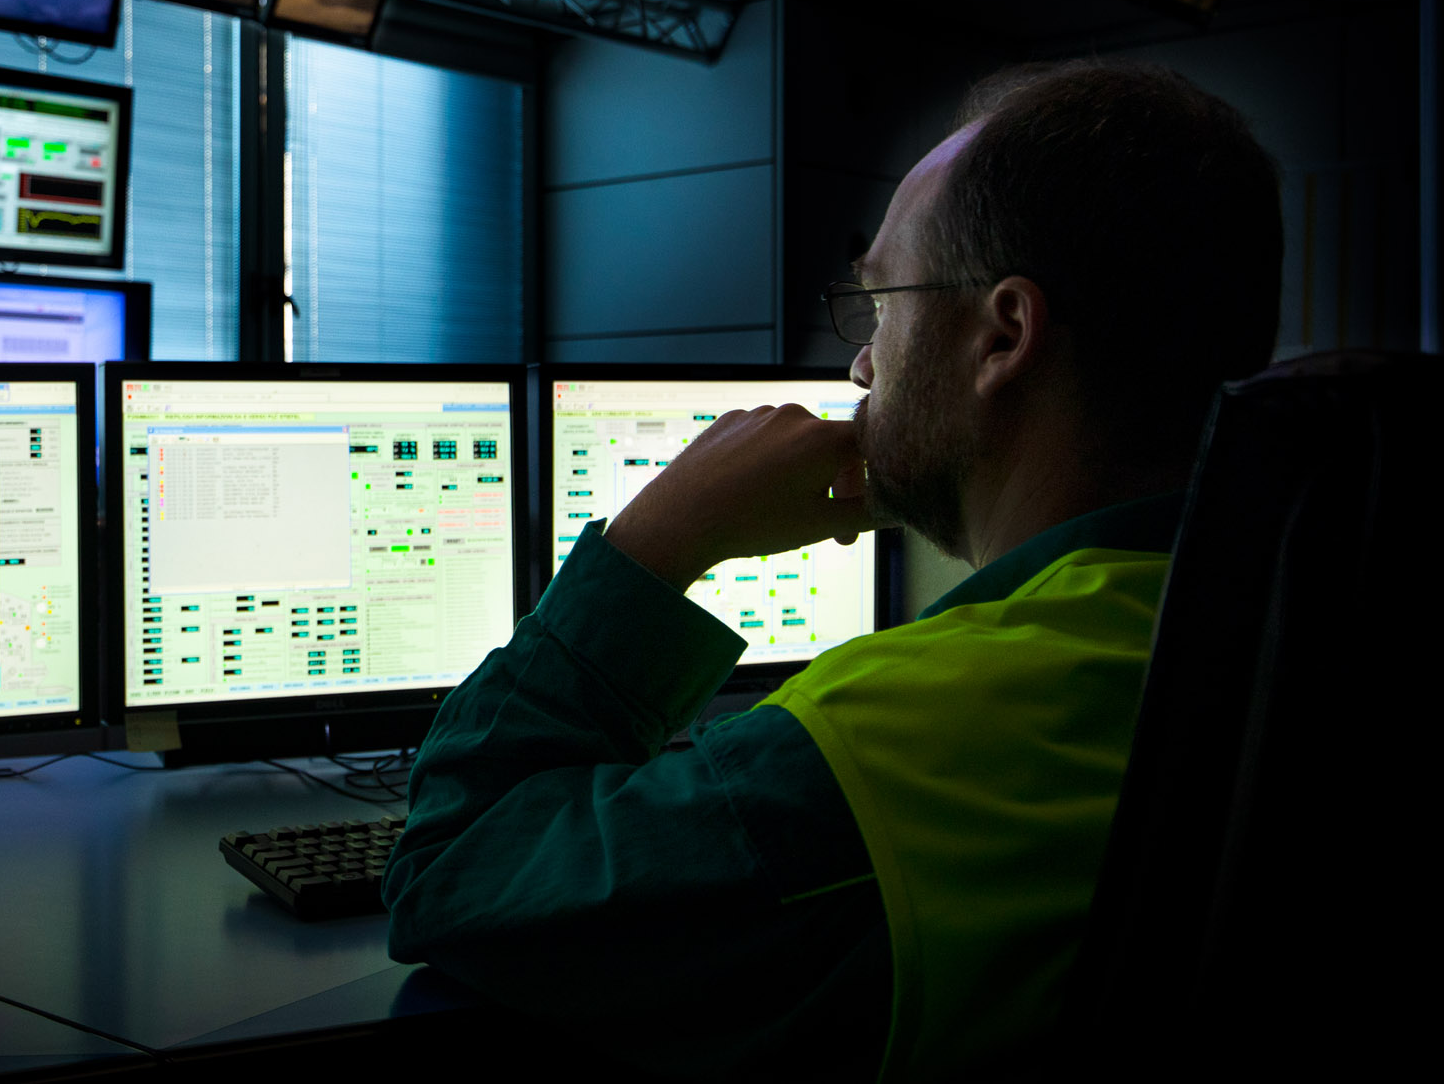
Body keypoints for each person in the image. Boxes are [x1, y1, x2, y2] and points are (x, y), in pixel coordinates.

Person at [382, 61, 1283, 1081]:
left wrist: (649, 548)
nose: (860, 364)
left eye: (880, 304)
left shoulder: (914, 729)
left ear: (1002, 334)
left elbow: (453, 876)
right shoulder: (1286, 631)